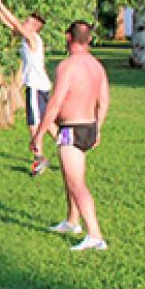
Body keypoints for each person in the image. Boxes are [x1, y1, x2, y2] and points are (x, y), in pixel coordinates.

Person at [31, 21, 109, 251]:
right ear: (90, 40)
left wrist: (39, 133)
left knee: (76, 183)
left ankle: (95, 234)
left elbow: (54, 103)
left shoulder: (67, 66)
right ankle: (72, 221)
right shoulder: (97, 67)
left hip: (71, 130)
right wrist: (98, 128)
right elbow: (103, 102)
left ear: (68, 37)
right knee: (69, 176)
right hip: (88, 128)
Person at [0, 0, 55, 176]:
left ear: (35, 27)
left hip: (35, 86)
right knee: (48, 124)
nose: (24, 22)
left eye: (28, 21)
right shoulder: (28, 38)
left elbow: (15, 23)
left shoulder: (33, 39)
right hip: (43, 86)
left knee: (34, 124)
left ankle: (39, 159)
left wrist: (1, 5)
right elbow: (11, 24)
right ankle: (69, 149)